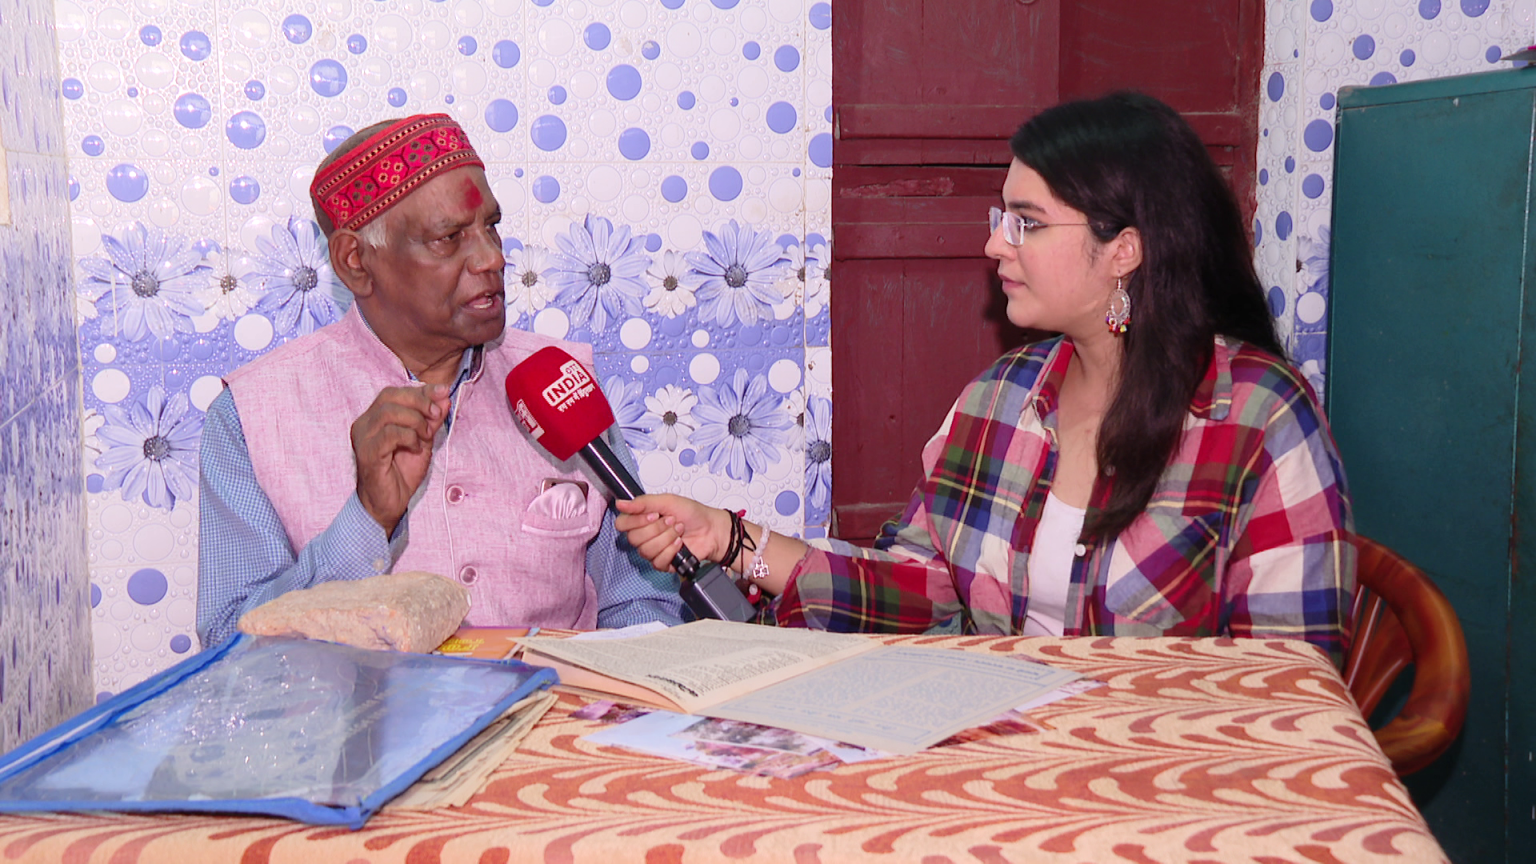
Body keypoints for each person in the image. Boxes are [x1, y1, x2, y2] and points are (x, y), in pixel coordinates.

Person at [617, 93, 1354, 663]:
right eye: (1001, 217)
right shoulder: (1002, 398)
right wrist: (730, 539)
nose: (995, 244)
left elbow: (1291, 682)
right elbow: (922, 588)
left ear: (1123, 250)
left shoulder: (1259, 418)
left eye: (1027, 222)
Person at [196, 114, 683, 649]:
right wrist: (369, 519)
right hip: (367, 708)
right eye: (448, 238)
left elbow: (640, 599)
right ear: (356, 262)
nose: (492, 258)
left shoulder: (559, 383)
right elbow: (229, 649)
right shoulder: (251, 418)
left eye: (491, 227)